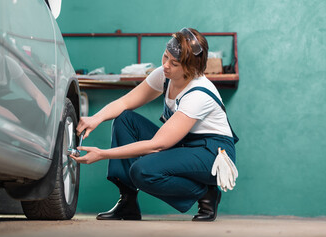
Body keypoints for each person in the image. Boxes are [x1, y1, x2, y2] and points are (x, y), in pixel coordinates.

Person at [71, 28, 238, 221]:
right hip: (184, 145)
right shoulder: (165, 75)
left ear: (190, 68)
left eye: (174, 63)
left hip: (212, 154)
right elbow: (126, 102)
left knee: (143, 171)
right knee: (125, 120)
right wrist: (96, 118)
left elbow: (157, 144)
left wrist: (102, 154)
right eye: (165, 57)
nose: (166, 65)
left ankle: (205, 194)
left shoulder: (198, 93)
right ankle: (128, 203)